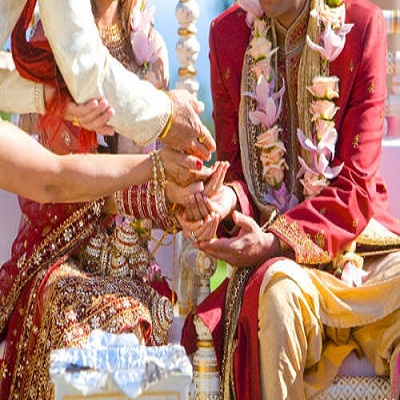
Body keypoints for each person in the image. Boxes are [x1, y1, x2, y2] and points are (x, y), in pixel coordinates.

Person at [179, 0, 400, 399]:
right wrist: (225, 203)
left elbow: (356, 186)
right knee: (278, 297)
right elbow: (240, 175)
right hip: (285, 271)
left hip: (363, 253)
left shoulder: (361, 23)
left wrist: (273, 240)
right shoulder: (228, 36)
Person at [0, 1, 217, 398]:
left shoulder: (147, 45)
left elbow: (154, 169)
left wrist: (183, 198)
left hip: (128, 259)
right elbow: (54, 182)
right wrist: (164, 135)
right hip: (61, 250)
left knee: (131, 323)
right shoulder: (54, 45)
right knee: (71, 315)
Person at [0, 0, 215, 161]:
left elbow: (160, 162)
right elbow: (54, 179)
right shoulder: (50, 40)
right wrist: (167, 117)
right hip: (73, 210)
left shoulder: (150, 44)